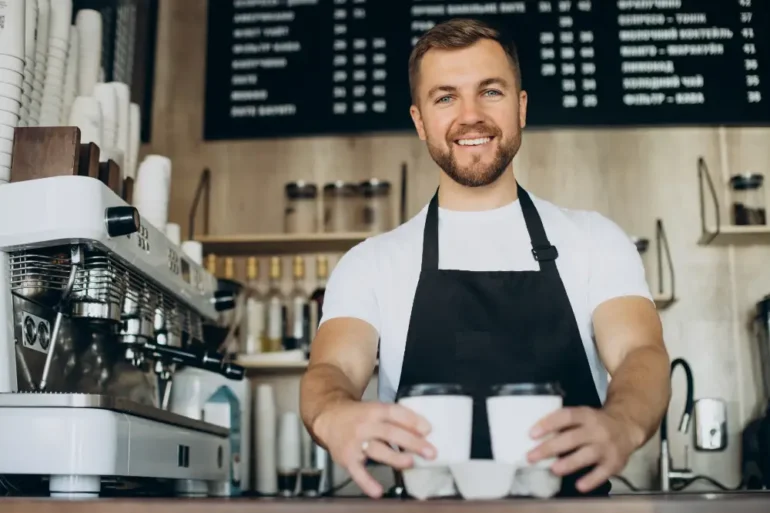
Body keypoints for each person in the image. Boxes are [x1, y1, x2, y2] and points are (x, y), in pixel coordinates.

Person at [299, 18, 671, 499]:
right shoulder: (371, 263)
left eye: (490, 92)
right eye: (445, 98)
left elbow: (641, 353)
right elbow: (331, 370)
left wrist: (623, 423)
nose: (470, 116)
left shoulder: (595, 240)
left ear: (521, 107)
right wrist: (333, 415)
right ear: (419, 121)